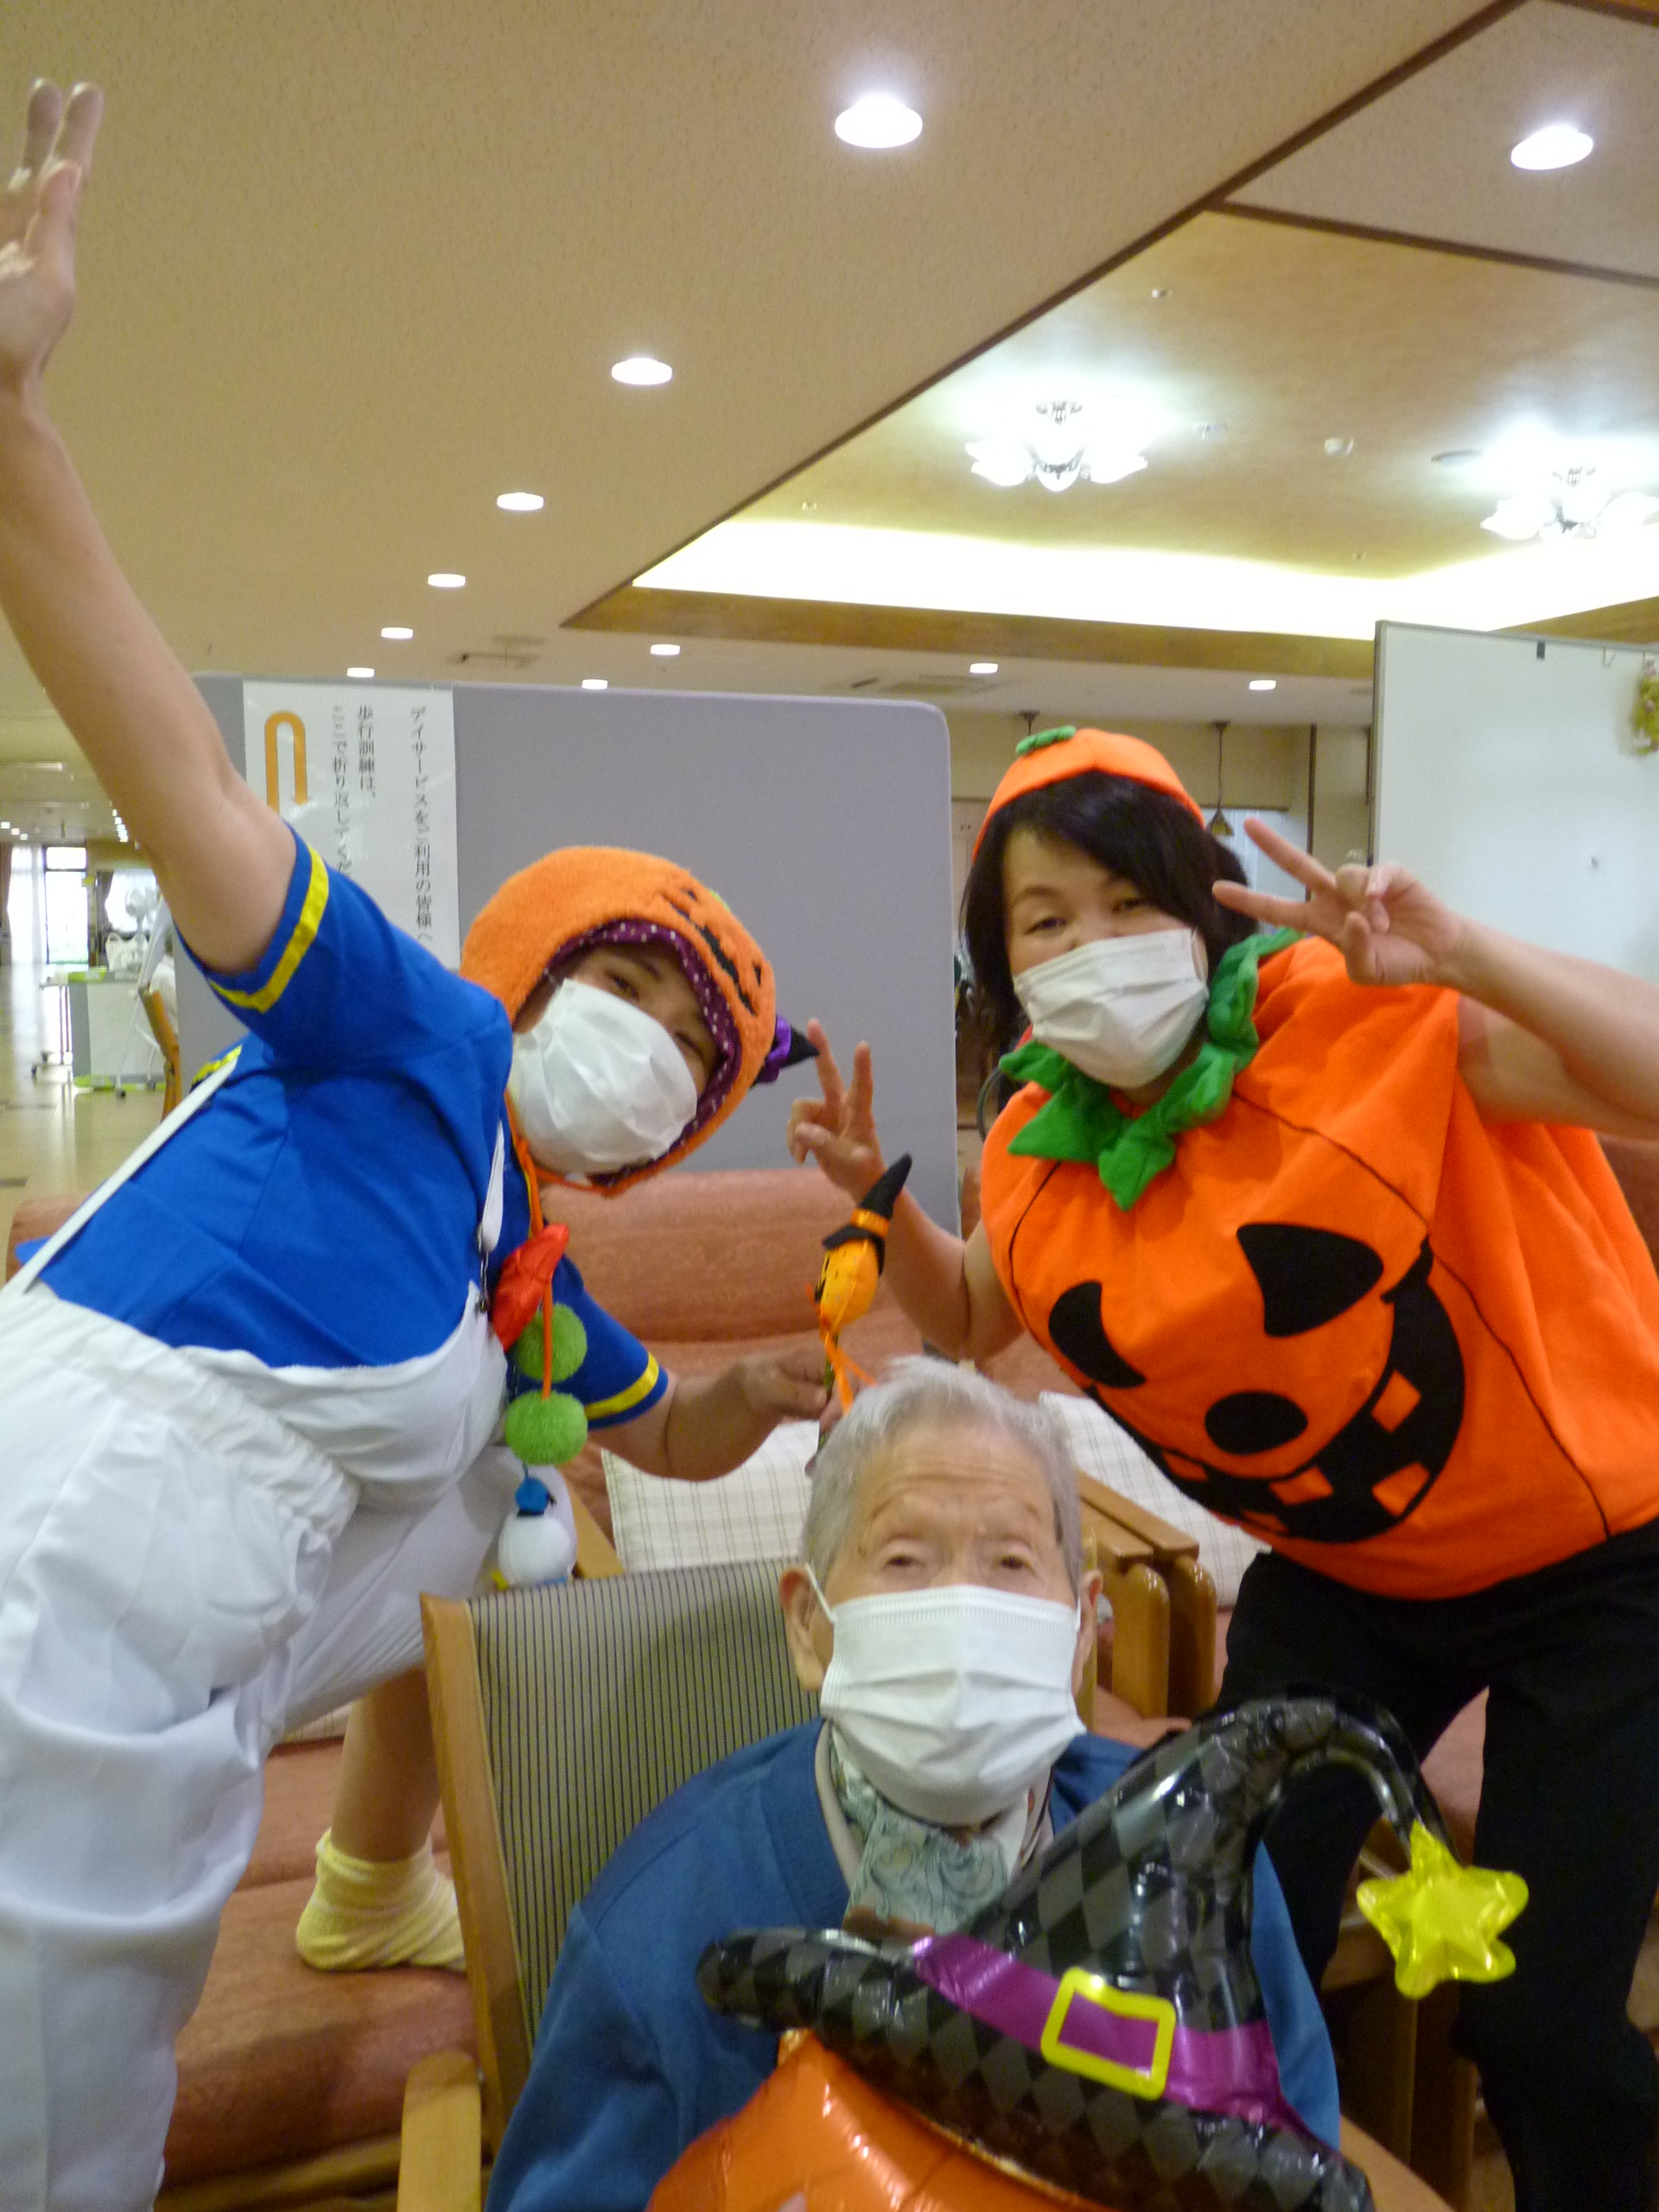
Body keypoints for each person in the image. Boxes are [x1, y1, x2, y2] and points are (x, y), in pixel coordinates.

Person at [0, 83, 825, 2207]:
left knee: (498, 1496)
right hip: (62, 1577)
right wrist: (17, 435)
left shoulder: (514, 1263)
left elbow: (649, 1430)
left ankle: (366, 1881)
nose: (650, 1056)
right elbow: (188, 784)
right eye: (631, 988)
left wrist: (756, 1392)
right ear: (535, 966)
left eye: (694, 1053)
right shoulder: (415, 1032)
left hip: (197, 1651)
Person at [789, 721, 1659, 2212]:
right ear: (1002, 967)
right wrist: (883, 1200)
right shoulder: (1039, 1143)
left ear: (1202, 906)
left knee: (1541, 2025)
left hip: (1597, 1560)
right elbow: (979, 1314)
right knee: (1220, 1916)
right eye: (1046, 921)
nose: (1092, 947)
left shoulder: (1367, 1025)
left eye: (1129, 902)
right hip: (1348, 1577)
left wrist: (1463, 955)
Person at [488, 1360, 1338, 2212]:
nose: (964, 1607)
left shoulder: (1192, 1868)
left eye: (1011, 1560)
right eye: (904, 1558)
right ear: (810, 1626)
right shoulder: (661, 1928)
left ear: (1082, 1628)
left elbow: (1288, 2152)